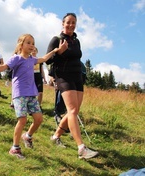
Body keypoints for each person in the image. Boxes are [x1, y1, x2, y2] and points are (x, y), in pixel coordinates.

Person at [0, 34, 67, 159]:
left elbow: (44, 58)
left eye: (33, 43)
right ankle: (15, 148)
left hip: (31, 94)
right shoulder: (16, 58)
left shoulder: (32, 60)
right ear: (21, 45)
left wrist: (55, 50)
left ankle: (27, 136)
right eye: (28, 42)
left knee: (39, 119)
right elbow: (4, 67)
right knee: (22, 120)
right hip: (19, 94)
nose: (31, 45)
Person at [46, 13, 98, 159]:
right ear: (63, 23)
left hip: (77, 78)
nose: (71, 25)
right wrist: (59, 52)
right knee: (73, 110)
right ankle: (81, 148)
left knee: (73, 112)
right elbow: (47, 60)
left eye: (73, 22)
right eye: (68, 22)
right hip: (63, 77)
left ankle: (56, 136)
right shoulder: (56, 39)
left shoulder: (76, 41)